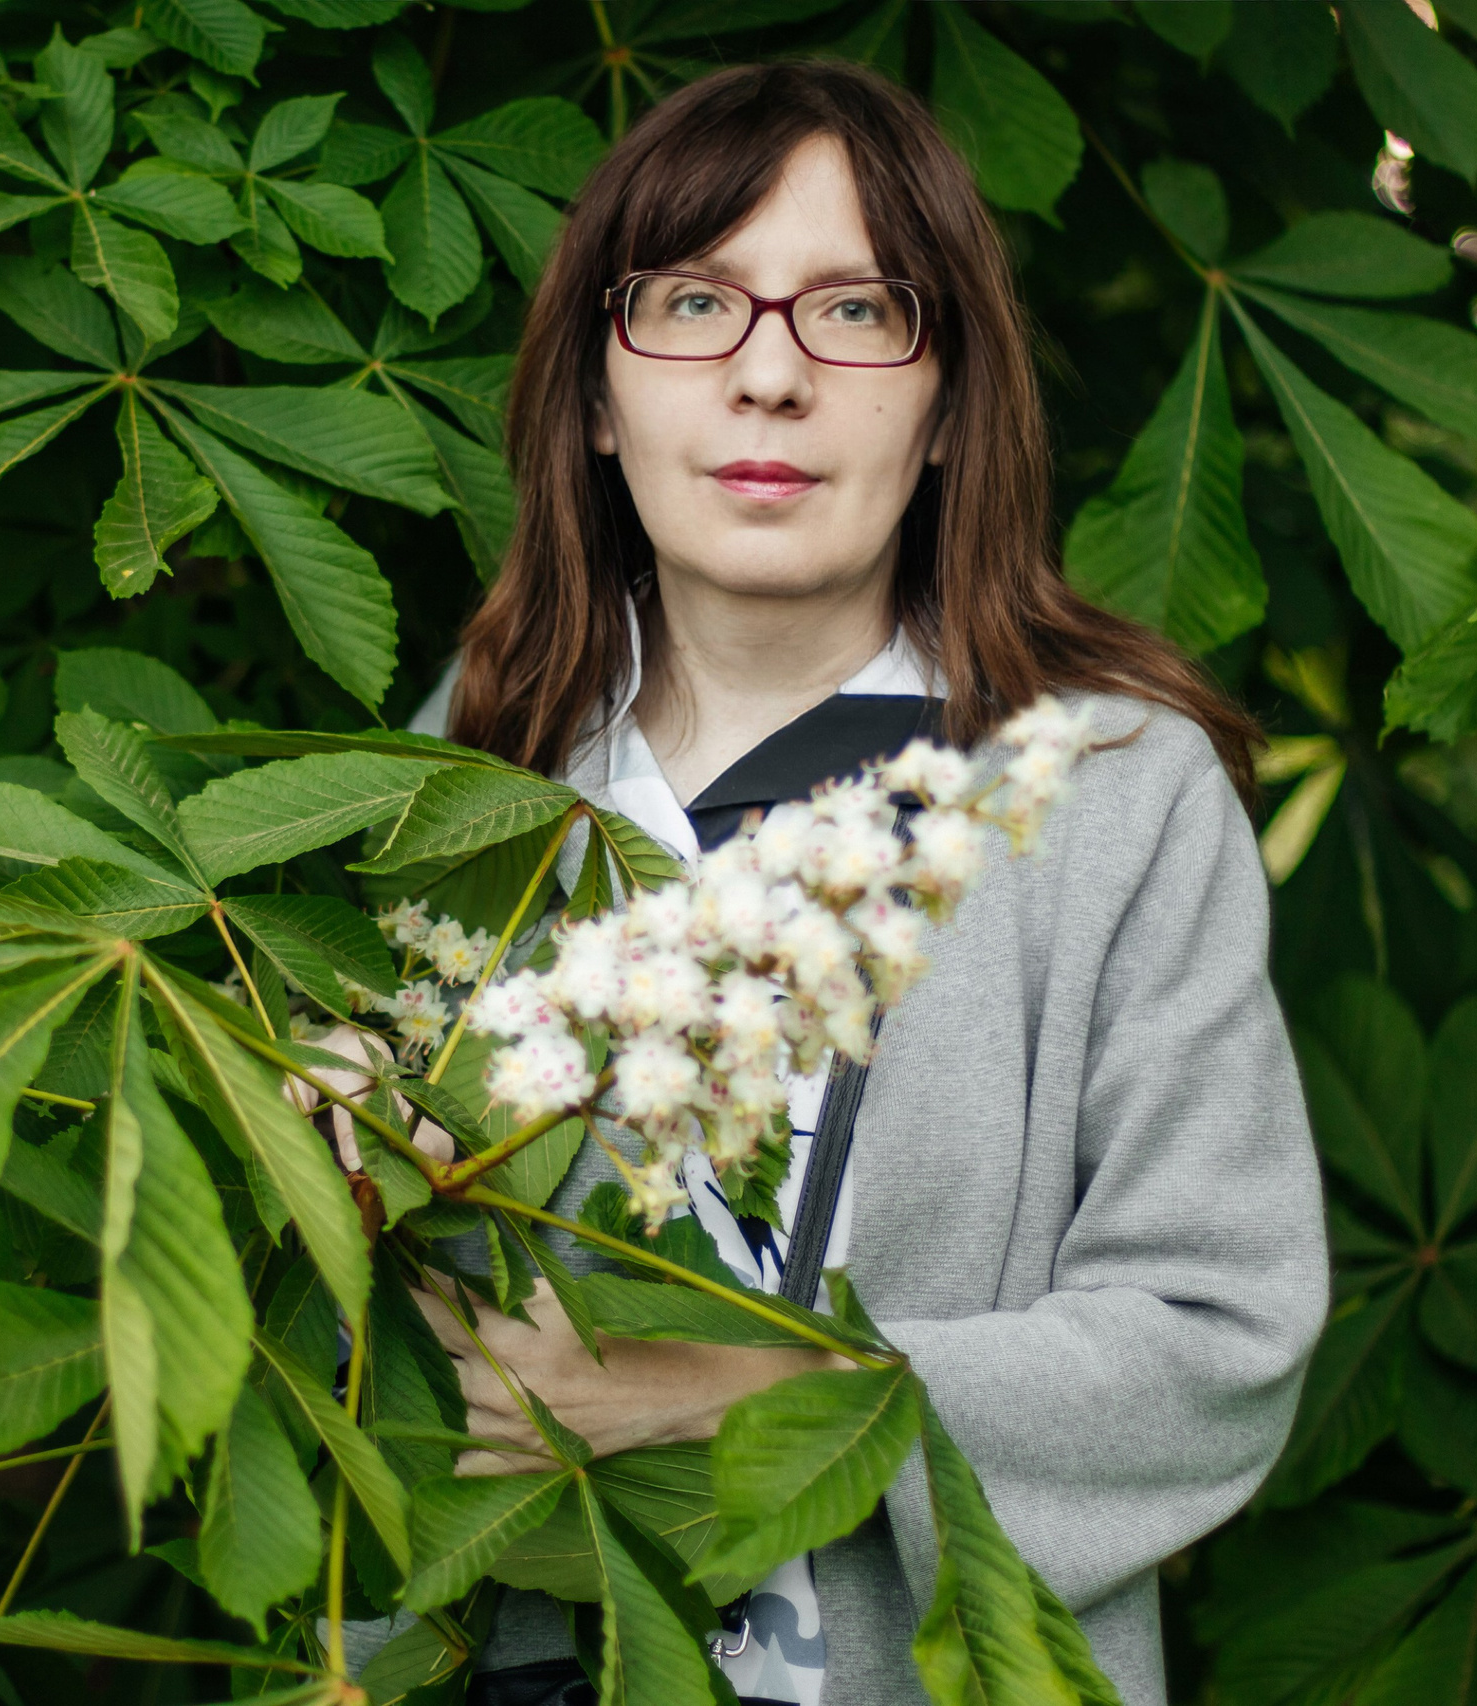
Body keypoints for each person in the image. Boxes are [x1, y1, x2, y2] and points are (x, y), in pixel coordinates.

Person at [298, 59, 1328, 1706]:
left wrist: (731, 1384)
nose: (768, 377)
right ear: (592, 394)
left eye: (856, 312)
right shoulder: (473, 754)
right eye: (696, 303)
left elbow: (1212, 1335)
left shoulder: (1111, 794)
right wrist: (348, 1139)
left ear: (943, 410)